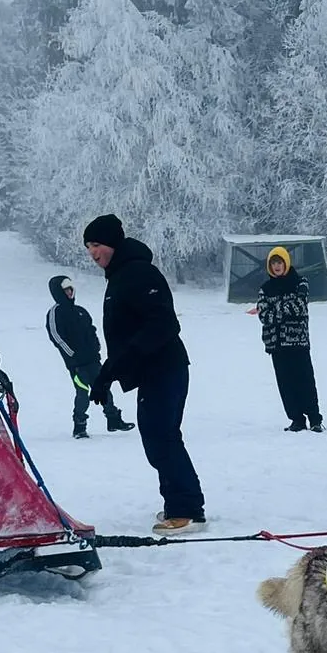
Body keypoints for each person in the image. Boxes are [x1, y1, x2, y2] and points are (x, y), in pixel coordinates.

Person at [83, 214, 206, 533]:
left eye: (96, 244)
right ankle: (178, 502)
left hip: (166, 367)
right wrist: (106, 375)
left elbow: (164, 323)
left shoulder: (139, 273)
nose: (92, 252)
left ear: (112, 243)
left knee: (161, 435)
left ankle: (186, 509)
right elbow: (124, 338)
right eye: (88, 246)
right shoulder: (120, 276)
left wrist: (123, 362)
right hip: (152, 371)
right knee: (156, 435)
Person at [45, 274, 133, 438]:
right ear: (58, 292)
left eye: (71, 289)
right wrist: (72, 355)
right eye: (66, 290)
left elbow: (92, 331)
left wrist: (96, 347)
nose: (70, 293)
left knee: (103, 388)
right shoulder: (55, 312)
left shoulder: (80, 311)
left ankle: (113, 419)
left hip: (93, 360)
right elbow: (57, 337)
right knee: (82, 393)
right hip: (76, 364)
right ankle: (79, 426)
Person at [257, 246, 324, 433]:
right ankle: (296, 419)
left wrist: (275, 310)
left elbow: (299, 307)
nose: (277, 266)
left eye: (279, 262)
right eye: (273, 263)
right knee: (286, 385)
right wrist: (286, 309)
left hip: (298, 342)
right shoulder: (265, 288)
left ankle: (315, 418)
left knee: (305, 381)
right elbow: (264, 316)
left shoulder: (300, 283)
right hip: (276, 344)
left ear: (286, 263)